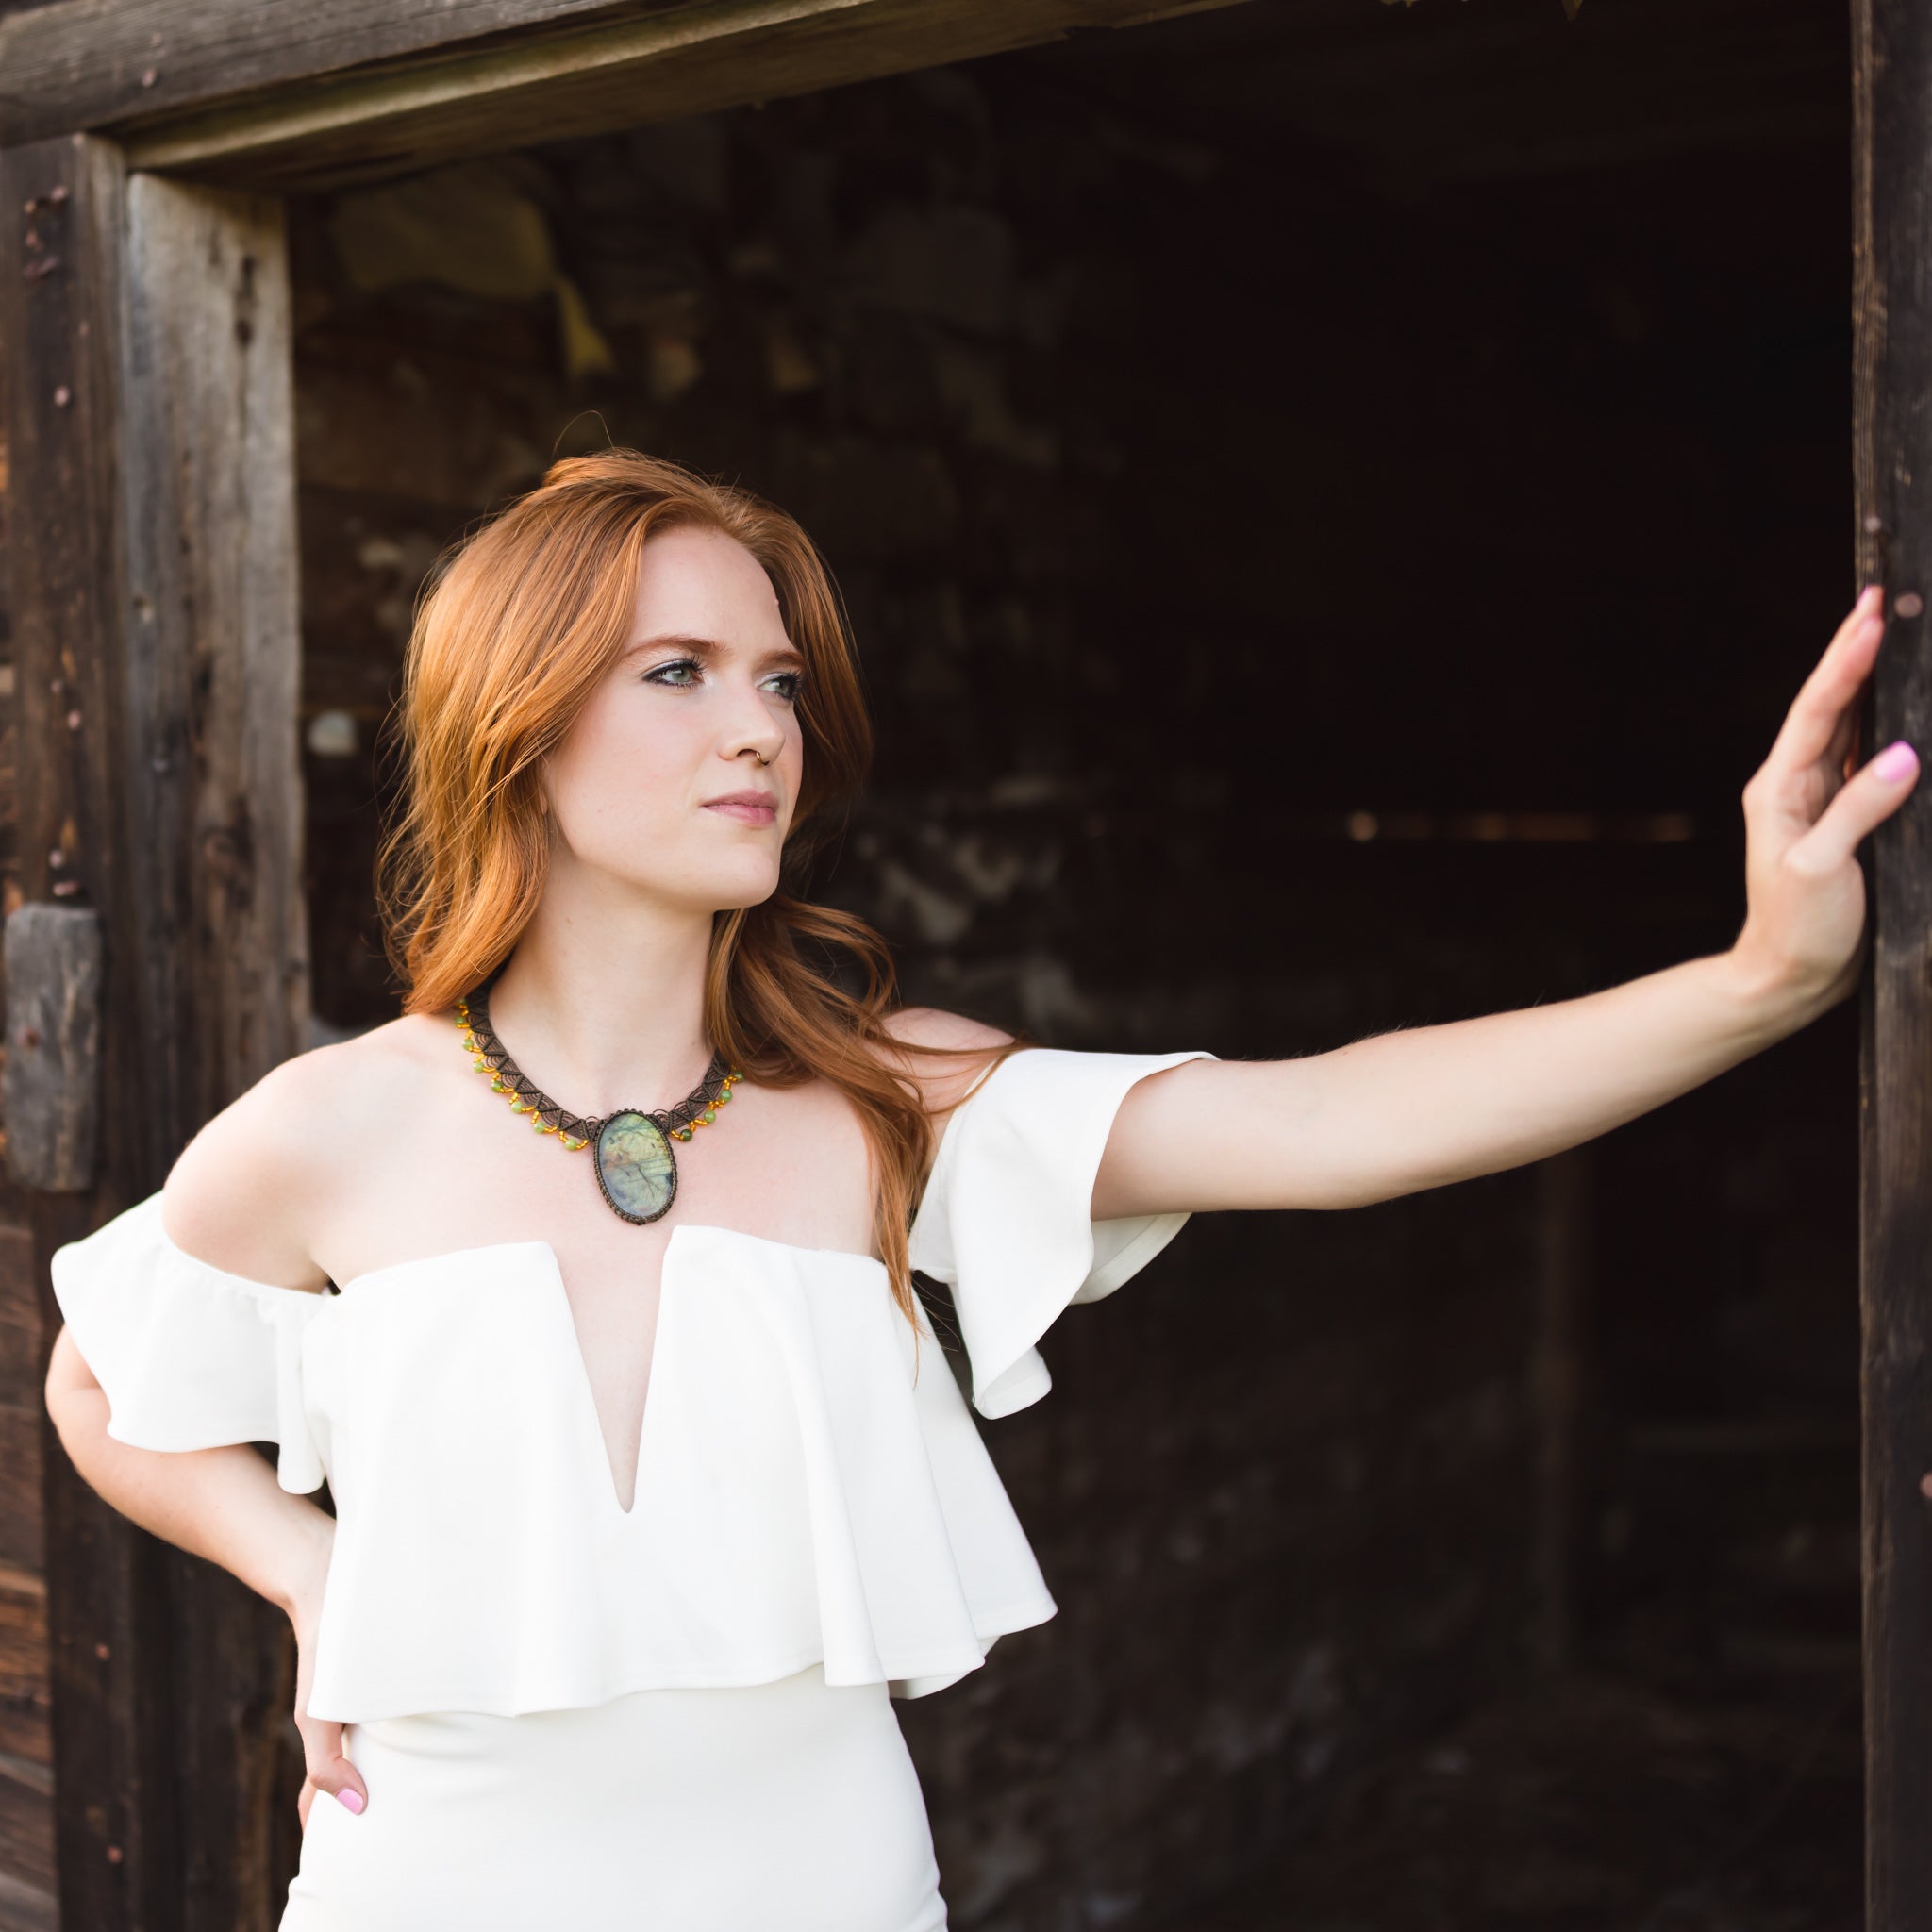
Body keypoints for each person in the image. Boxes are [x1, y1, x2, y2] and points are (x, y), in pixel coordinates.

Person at [41, 450, 1913, 1930]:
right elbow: (99, 1379)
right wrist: (312, 1576)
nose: (759, 727)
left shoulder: (880, 1096)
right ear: (510, 725)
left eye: (776, 678)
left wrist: (1758, 977)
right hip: (429, 1890)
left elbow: (1332, 1125)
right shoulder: (336, 1126)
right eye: (675, 674)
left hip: (825, 1890)